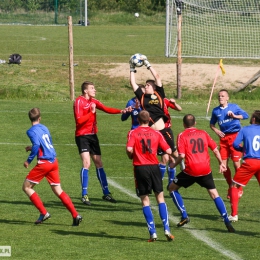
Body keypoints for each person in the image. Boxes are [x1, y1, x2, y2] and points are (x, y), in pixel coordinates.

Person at [168, 114, 235, 232]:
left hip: (191, 170)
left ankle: (184, 215)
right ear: (195, 123)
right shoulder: (203, 133)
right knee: (215, 194)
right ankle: (226, 220)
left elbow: (182, 155)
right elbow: (215, 149)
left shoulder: (182, 135)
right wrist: (221, 163)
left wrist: (174, 164)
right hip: (205, 169)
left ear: (184, 124)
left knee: (172, 188)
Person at [74, 80, 131, 206]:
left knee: (99, 163)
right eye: (92, 88)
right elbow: (79, 121)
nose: (95, 90)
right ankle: (84, 195)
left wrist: (121, 111)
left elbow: (106, 108)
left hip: (93, 136)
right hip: (82, 136)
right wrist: (91, 113)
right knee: (87, 163)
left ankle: (106, 193)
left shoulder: (93, 101)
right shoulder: (79, 101)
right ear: (85, 91)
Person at [23, 108, 82, 226]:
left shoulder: (30, 131)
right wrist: (34, 148)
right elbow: (47, 143)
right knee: (58, 190)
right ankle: (76, 215)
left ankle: (43, 212)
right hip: (54, 161)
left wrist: (29, 160)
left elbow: (37, 144)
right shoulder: (44, 128)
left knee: (27, 187)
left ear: (30, 118)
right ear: (40, 118)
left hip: (44, 163)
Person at [126, 110, 174, 242]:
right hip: (154, 167)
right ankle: (166, 228)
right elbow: (168, 150)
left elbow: (130, 149)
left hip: (141, 168)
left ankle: (152, 232)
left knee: (145, 200)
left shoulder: (133, 132)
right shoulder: (156, 133)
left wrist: (131, 155)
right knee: (160, 198)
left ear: (138, 119)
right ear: (149, 120)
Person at [130, 57, 178, 177]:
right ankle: (158, 179)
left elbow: (157, 76)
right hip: (153, 134)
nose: (145, 87)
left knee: (176, 154)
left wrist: (147, 64)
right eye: (145, 85)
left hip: (164, 130)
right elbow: (132, 83)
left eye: (148, 85)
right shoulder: (142, 97)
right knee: (162, 158)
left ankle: (186, 167)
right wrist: (132, 68)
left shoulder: (159, 94)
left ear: (154, 87)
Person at [210, 89, 249, 199]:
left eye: (222, 96)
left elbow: (246, 115)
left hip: (235, 137)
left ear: (227, 98)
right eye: (219, 96)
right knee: (224, 166)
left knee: (237, 165)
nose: (220, 98)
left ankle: (239, 188)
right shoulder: (216, 111)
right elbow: (212, 124)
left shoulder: (234, 107)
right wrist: (216, 130)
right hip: (223, 139)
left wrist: (235, 116)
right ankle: (231, 188)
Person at [228, 110, 260, 222]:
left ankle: (234, 215)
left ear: (254, 119)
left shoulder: (245, 129)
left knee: (234, 186)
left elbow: (235, 144)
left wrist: (243, 149)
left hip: (250, 162)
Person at [159, 98, 182, 186]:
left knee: (172, 158)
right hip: (158, 131)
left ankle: (170, 183)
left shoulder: (164, 100)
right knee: (165, 158)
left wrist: (175, 103)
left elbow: (179, 109)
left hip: (167, 131)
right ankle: (159, 183)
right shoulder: (149, 101)